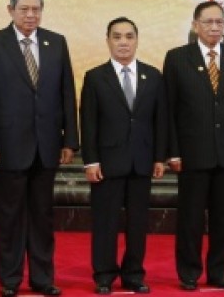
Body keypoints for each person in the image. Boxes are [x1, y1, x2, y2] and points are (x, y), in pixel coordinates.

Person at [0, 0, 78, 297]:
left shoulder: (56, 43)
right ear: (10, 10)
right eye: (24, 9)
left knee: (43, 216)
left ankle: (42, 277)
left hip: (46, 145)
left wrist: (70, 141)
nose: (31, 15)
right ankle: (9, 280)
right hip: (6, 148)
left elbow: (66, 93)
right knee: (9, 216)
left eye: (36, 9)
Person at [163, 1, 224, 291]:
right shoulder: (177, 59)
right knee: (190, 218)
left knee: (223, 219)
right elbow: (169, 110)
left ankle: (218, 272)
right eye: (208, 22)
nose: (214, 27)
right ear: (195, 25)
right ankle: (188, 273)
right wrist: (172, 151)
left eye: (219, 22)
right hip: (191, 154)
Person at [80, 17, 166, 295]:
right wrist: (90, 161)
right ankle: (104, 275)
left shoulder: (153, 76)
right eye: (117, 37)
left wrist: (159, 158)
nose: (123, 42)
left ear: (137, 40)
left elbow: (160, 120)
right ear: (108, 41)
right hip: (107, 164)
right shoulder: (95, 77)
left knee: (138, 223)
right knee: (105, 222)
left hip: (142, 162)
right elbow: (89, 121)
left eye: (129, 36)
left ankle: (133, 274)